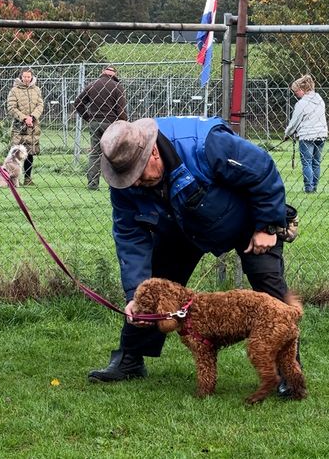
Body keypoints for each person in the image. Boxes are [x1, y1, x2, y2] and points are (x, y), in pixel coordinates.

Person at [87, 116, 298, 397]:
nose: (134, 183)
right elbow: (130, 236)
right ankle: (130, 359)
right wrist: (132, 296)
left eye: (137, 174)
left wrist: (267, 225)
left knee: (269, 288)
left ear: (152, 151)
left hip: (247, 219)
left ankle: (289, 373)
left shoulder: (204, 144)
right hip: (184, 226)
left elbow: (261, 169)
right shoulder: (126, 182)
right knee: (154, 287)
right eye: (127, 178)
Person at [74, 65, 127, 189]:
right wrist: (123, 125)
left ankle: (92, 184)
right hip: (111, 124)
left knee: (95, 153)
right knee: (113, 153)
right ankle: (113, 185)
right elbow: (121, 109)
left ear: (102, 72)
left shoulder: (92, 85)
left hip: (95, 123)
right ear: (115, 74)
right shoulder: (117, 87)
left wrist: (88, 117)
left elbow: (78, 103)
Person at [283, 74, 329, 193]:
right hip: (321, 134)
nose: (295, 94)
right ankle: (314, 186)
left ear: (302, 90)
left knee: (307, 162)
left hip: (307, 136)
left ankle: (308, 188)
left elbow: (294, 122)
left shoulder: (301, 104)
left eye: (296, 91)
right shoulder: (320, 100)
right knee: (316, 162)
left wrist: (287, 133)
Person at [6, 67, 44, 185]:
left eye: (28, 76)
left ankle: (28, 178)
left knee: (30, 152)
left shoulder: (37, 90)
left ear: (31, 77)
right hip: (19, 126)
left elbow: (40, 105)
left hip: (33, 126)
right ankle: (12, 178)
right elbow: (11, 107)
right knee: (15, 153)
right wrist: (24, 118)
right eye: (24, 77)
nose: (26, 79)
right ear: (21, 77)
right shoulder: (14, 90)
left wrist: (32, 117)